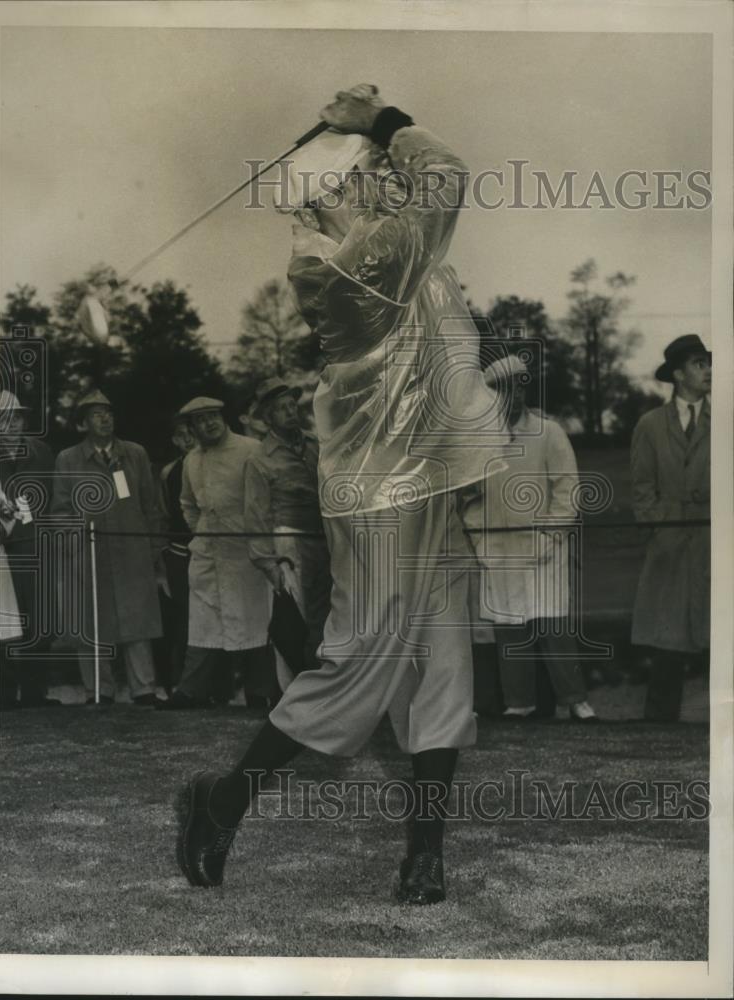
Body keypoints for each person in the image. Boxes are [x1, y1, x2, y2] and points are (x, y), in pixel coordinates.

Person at [175, 86, 505, 905]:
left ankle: (424, 857)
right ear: (334, 195)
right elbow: (448, 175)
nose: (383, 181)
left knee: (446, 671)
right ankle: (221, 802)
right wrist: (382, 120)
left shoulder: (386, 248)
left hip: (428, 485)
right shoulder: (352, 263)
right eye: (367, 175)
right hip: (381, 496)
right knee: (359, 666)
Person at [461, 355, 597, 723]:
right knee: (509, 627)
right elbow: (470, 499)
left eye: (521, 385)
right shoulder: (477, 439)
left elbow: (567, 489)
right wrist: (482, 542)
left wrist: (549, 537)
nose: (515, 395)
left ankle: (576, 701)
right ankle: (519, 703)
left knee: (553, 625)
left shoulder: (549, 432)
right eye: (505, 388)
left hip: (545, 549)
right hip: (499, 552)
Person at [158, 397, 277, 711]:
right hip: (208, 553)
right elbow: (187, 504)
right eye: (200, 420)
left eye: (213, 416)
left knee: (256, 621)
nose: (208, 424)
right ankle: (191, 691)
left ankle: (259, 691)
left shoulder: (251, 449)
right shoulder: (192, 460)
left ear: (223, 418)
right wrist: (203, 531)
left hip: (248, 552)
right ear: (192, 427)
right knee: (203, 622)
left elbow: (270, 498)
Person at [52, 389, 163, 706]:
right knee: (90, 623)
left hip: (132, 553)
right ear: (83, 422)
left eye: (109, 412)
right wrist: (74, 547)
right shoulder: (68, 459)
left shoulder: (135, 454)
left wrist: (153, 550)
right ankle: (98, 690)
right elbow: (59, 511)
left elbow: (149, 506)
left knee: (137, 621)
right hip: (88, 553)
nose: (105, 418)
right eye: (96, 413)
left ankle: (144, 688)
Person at [630, 334, 711, 722]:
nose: (708, 370)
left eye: (709, 363)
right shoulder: (650, 425)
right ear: (678, 374)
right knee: (667, 640)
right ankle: (658, 730)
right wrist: (660, 527)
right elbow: (642, 488)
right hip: (670, 547)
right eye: (699, 364)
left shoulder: (725, 419)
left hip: (716, 547)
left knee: (721, 638)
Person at [243, 377, 332, 680]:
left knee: (326, 615)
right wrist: (268, 562)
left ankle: (323, 684)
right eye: (281, 409)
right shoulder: (259, 458)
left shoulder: (315, 445)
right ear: (267, 418)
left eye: (292, 405)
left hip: (324, 538)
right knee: (294, 617)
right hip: (288, 543)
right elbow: (255, 513)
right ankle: (291, 691)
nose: (290, 412)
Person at [0, 391, 59, 708]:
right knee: (3, 623)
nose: (11, 424)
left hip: (38, 546)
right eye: (4, 418)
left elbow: (56, 498)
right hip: (2, 553)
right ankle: (5, 694)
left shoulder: (43, 452)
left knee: (40, 621)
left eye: (17, 417)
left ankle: (36, 693)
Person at [156, 413, 196, 692]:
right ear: (175, 440)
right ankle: (177, 682)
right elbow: (164, 514)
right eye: (183, 435)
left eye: (192, 433)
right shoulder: (170, 472)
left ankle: (217, 687)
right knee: (182, 618)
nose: (189, 440)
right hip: (180, 552)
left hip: (214, 550)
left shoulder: (214, 464)